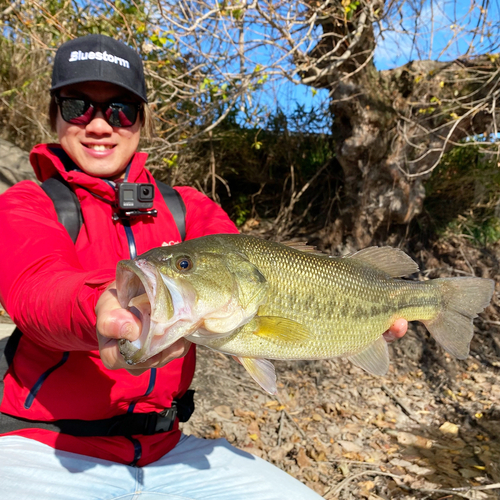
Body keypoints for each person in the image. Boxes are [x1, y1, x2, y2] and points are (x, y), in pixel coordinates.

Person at [0, 34, 407, 499]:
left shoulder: (187, 208)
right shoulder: (27, 203)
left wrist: (353, 313)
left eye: (120, 109)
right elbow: (37, 288)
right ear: (54, 113)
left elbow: (252, 276)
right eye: (77, 106)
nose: (99, 125)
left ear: (142, 120)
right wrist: (100, 309)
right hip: (44, 448)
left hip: (169, 450)